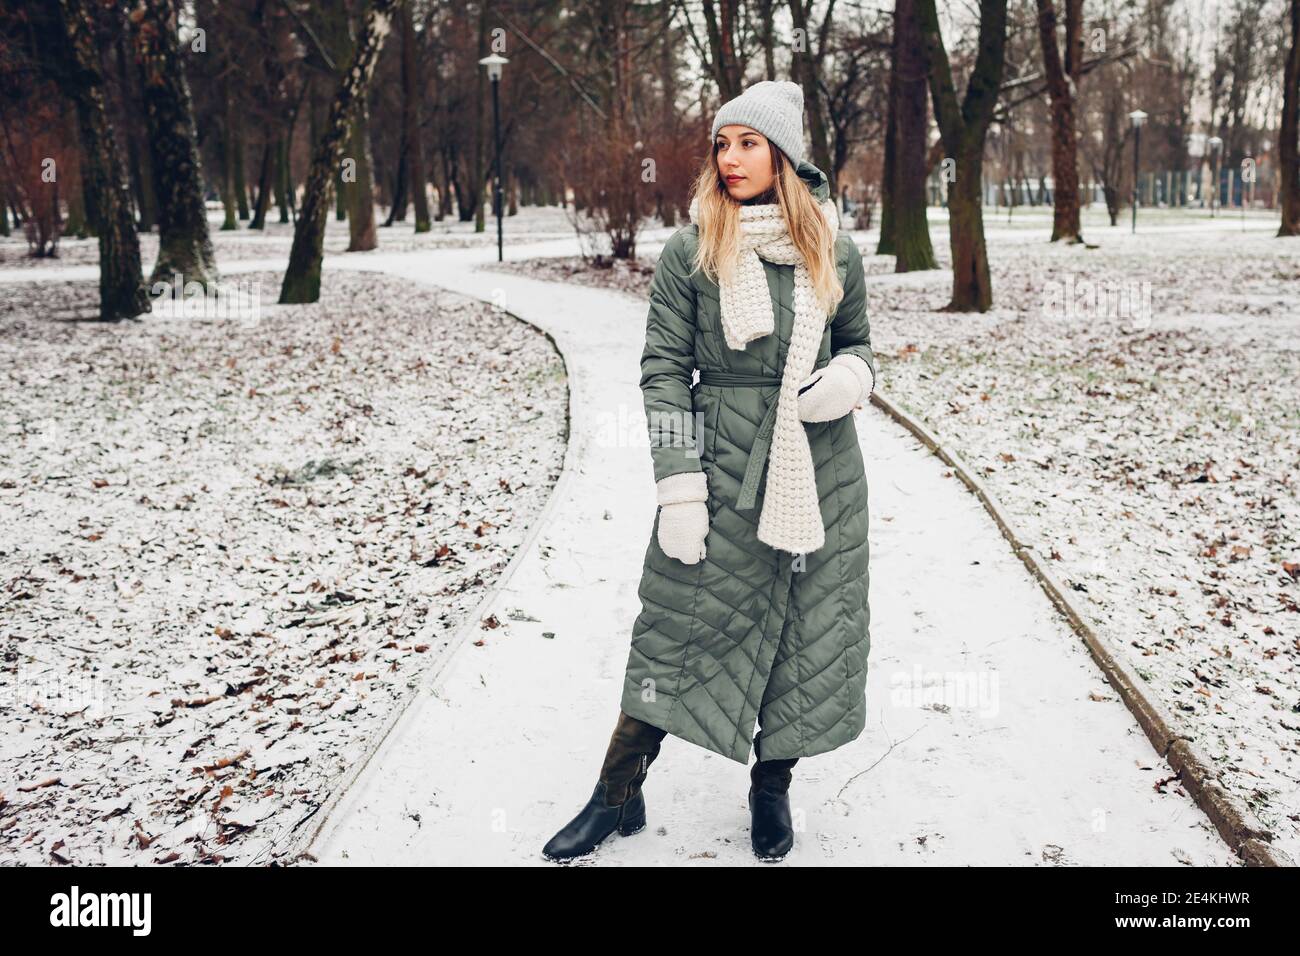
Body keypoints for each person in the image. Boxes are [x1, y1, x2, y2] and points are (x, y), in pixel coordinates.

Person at [543, 80, 877, 864]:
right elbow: (662, 372)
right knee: (676, 627)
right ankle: (616, 793)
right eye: (722, 144)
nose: (730, 158)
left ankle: (771, 787)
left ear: (783, 156)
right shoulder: (691, 251)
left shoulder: (833, 247)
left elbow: (860, 341)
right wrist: (678, 486)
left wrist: (850, 380)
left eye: (748, 143)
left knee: (803, 634)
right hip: (720, 468)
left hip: (818, 469)